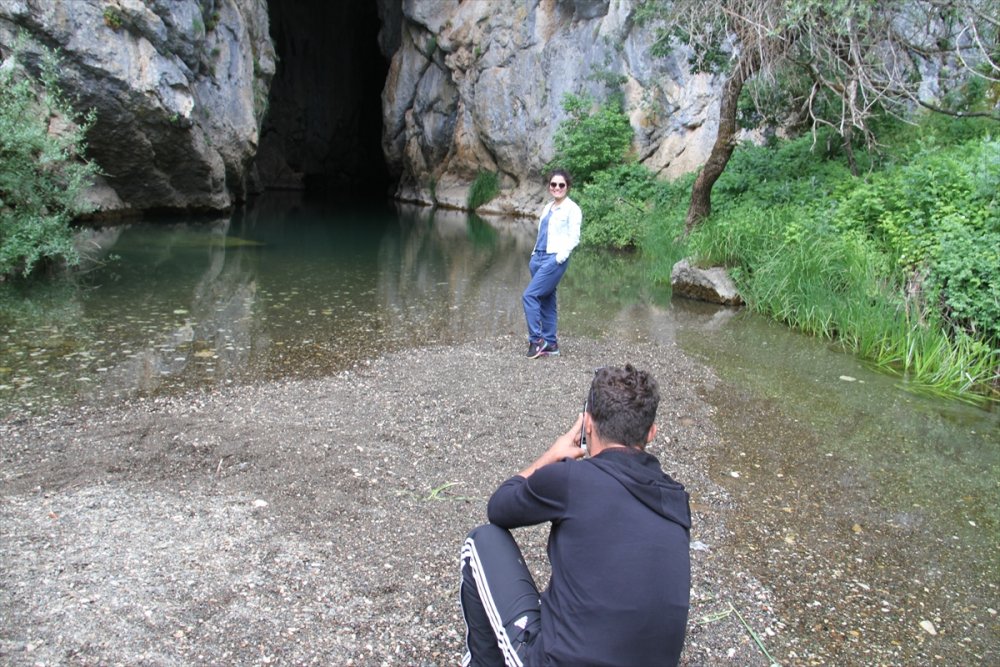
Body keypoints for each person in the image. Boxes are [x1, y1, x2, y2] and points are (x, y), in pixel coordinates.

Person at [459, 365, 691, 667]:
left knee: (482, 541)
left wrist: (551, 456)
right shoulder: (676, 501)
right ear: (651, 432)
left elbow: (499, 508)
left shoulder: (571, 479)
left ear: (588, 425)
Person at [522, 169, 581, 359]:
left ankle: (537, 341)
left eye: (561, 185)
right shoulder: (548, 207)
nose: (557, 188)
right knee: (547, 300)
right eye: (553, 184)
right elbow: (542, 234)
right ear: (549, 187)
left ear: (567, 187)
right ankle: (551, 344)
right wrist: (533, 255)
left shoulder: (572, 209)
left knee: (529, 296)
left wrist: (559, 258)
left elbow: (574, 238)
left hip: (554, 259)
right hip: (538, 257)